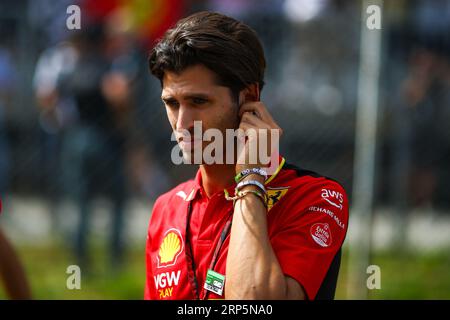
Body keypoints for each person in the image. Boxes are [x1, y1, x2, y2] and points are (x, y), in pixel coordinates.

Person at [144, 11, 349, 300]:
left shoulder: (315, 197)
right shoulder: (166, 208)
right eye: (172, 103)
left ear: (249, 97)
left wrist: (251, 177)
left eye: (198, 101)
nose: (182, 124)